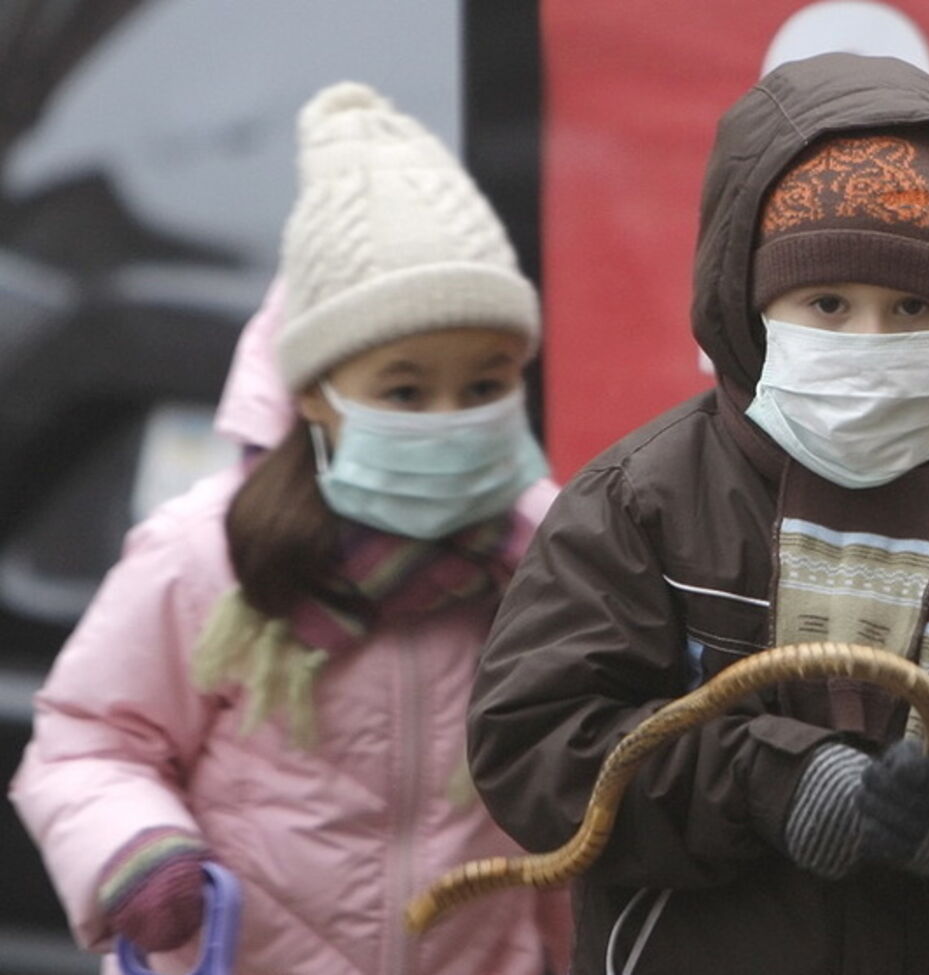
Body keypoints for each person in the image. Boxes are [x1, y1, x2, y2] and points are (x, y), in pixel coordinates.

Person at [466, 53, 929, 975]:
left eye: (914, 306)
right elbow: (539, 739)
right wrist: (771, 780)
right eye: (827, 302)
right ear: (748, 301)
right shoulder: (641, 499)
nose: (870, 341)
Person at [11, 82, 571, 975]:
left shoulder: (548, 556)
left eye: (483, 385)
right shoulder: (213, 557)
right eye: (404, 390)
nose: (448, 416)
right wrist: (138, 849)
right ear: (315, 393)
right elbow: (88, 742)